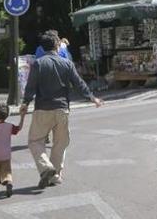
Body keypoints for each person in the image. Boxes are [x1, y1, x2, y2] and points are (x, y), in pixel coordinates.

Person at [21, 30, 102, 188]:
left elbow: (31, 86)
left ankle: (46, 168)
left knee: (35, 141)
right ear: (57, 45)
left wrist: (25, 103)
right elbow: (79, 84)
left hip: (43, 108)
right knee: (60, 143)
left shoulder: (38, 63)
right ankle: (55, 175)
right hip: (62, 109)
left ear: (43, 48)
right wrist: (93, 98)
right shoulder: (67, 63)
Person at [0, 102, 25, 198]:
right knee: (7, 170)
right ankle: (8, 182)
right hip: (6, 154)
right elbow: (19, 128)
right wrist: (22, 117)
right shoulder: (9, 126)